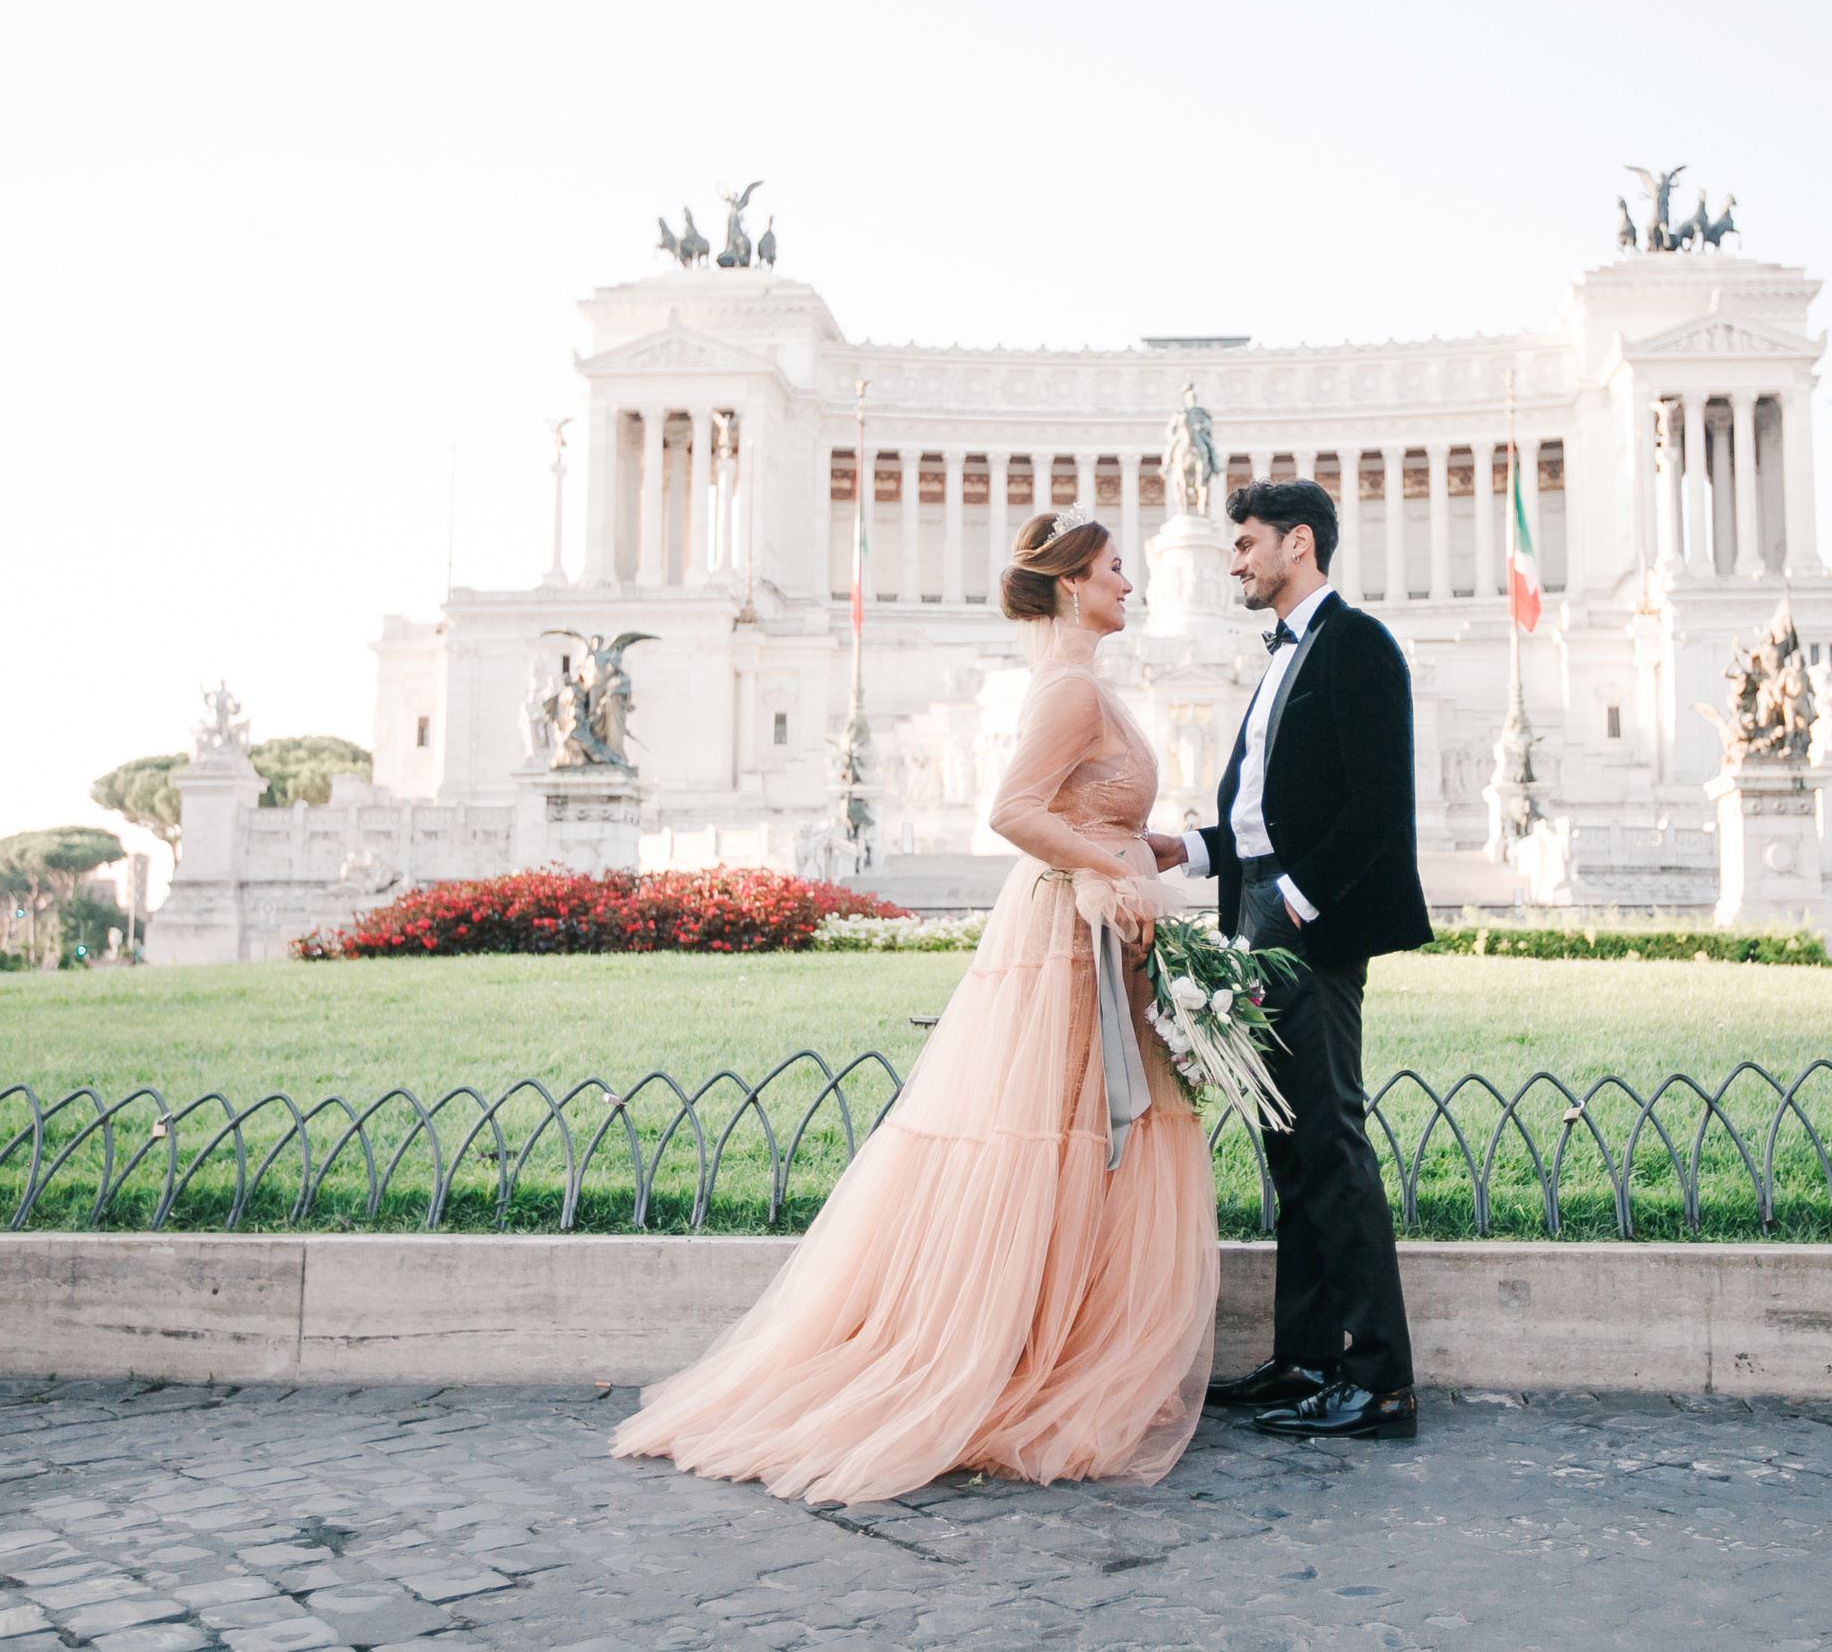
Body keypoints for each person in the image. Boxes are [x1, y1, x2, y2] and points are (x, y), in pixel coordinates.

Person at [610, 511, 1216, 1505]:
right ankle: (1020, 1359)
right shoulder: (1068, 688)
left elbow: (1082, 813)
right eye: (1115, 570)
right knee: (1046, 1133)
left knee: (1074, 1133)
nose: (1130, 585)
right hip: (1066, 933)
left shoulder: (1083, 683)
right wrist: (1108, 862)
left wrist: (1141, 852)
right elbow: (1014, 813)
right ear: (1071, 585)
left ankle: (1050, 1343)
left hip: (1095, 921)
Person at [1147, 478, 1432, 1442]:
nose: (1233, 560)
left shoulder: (1359, 647)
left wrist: (1299, 907)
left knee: (1332, 1135)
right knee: (1288, 1142)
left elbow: (1379, 805)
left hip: (1307, 918)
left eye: (1246, 544)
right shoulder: (1275, 658)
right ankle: (1308, 1357)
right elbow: (1257, 816)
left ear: (1297, 544)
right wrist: (1182, 850)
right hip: (1258, 904)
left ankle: (1381, 1378)